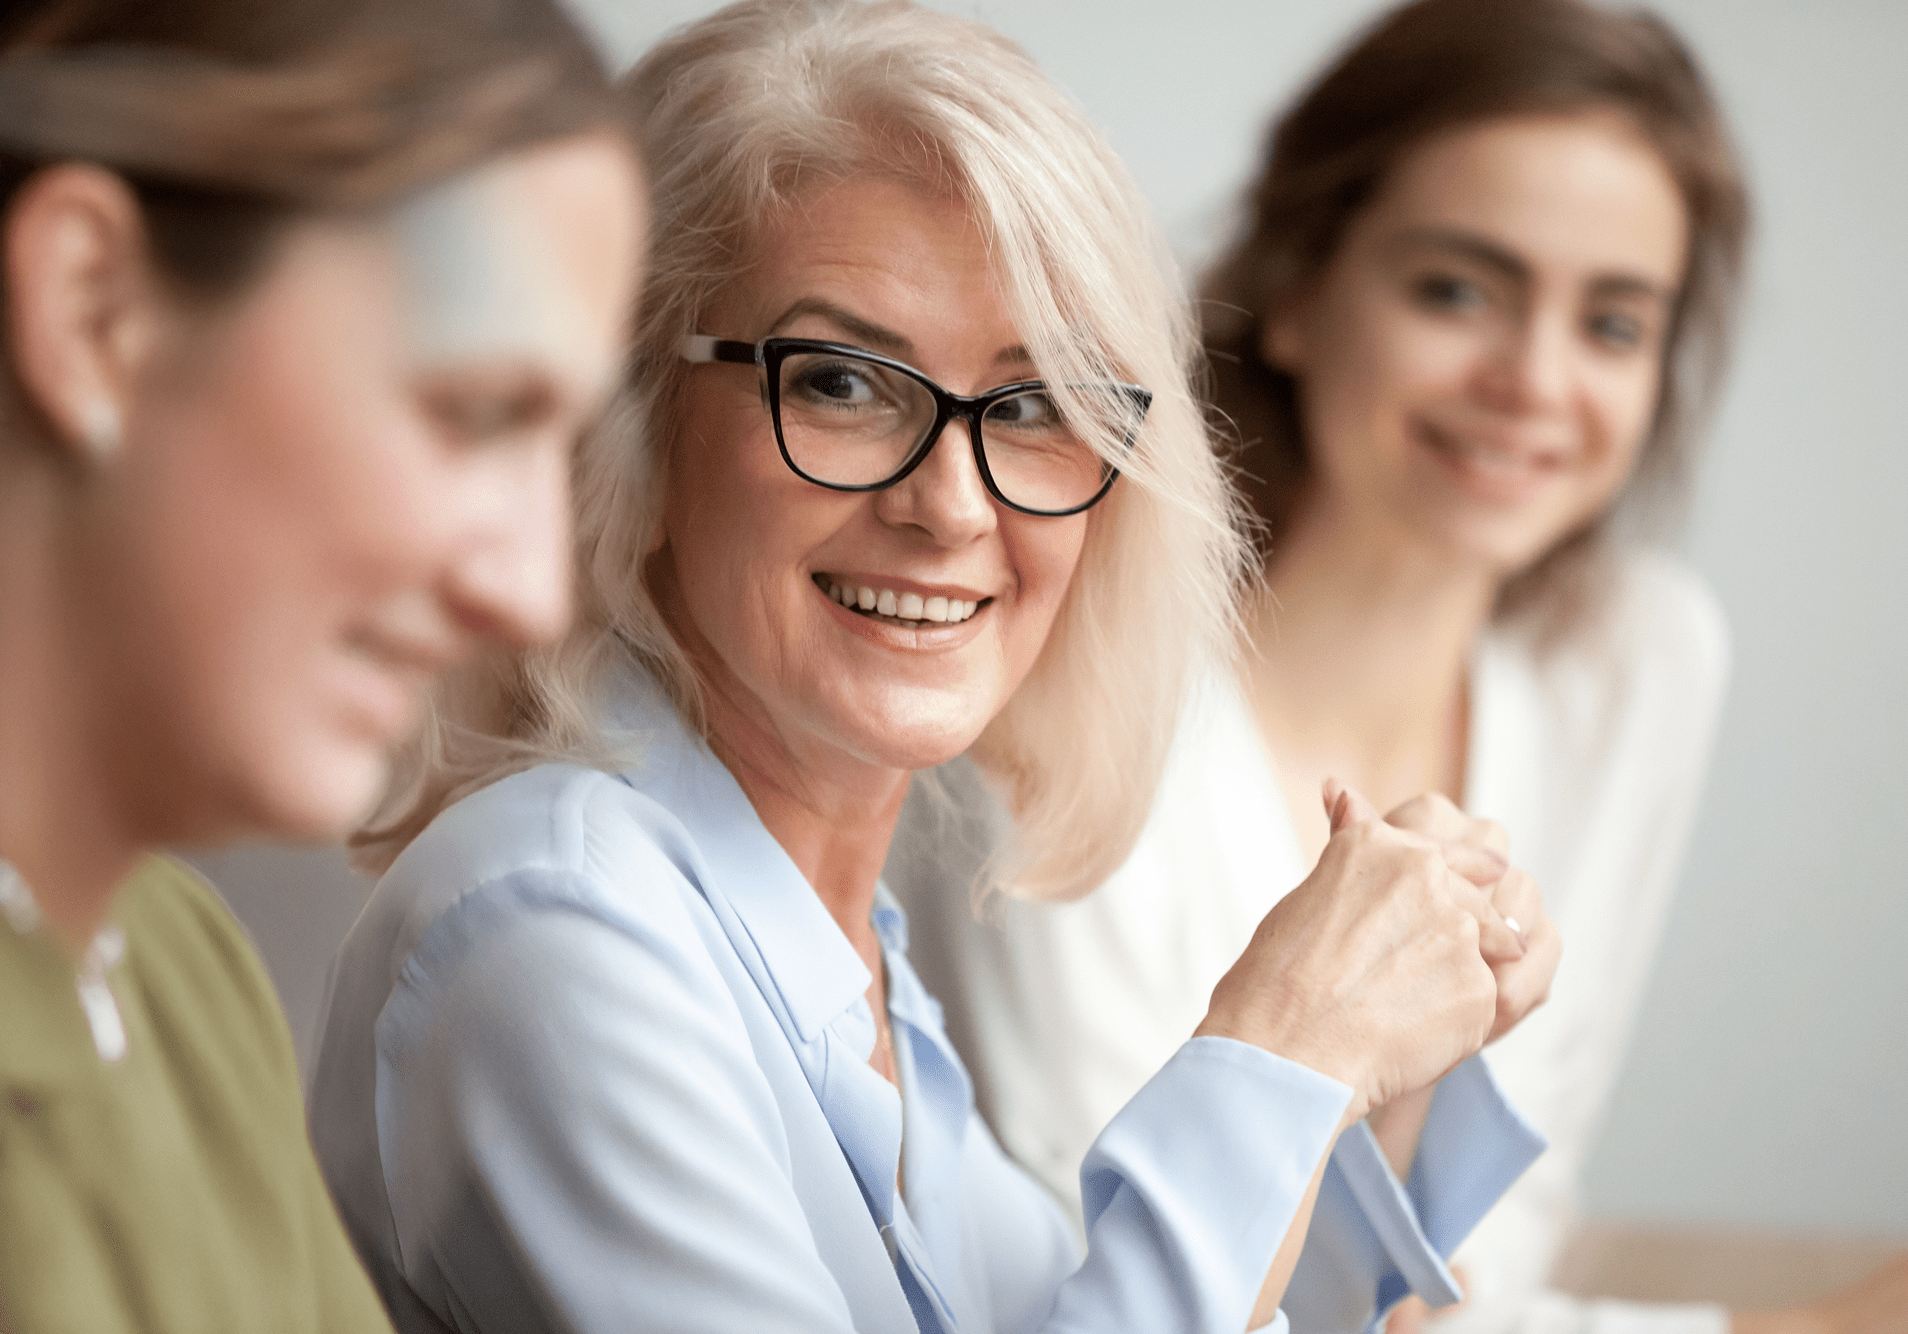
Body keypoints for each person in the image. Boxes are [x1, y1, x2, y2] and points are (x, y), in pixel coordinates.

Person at [307, 1, 1564, 1331]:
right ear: (632, 430)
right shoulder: (552, 928)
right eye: (842, 381)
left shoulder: (846, 957)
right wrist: (1289, 1038)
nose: (954, 506)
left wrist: (1372, 1067)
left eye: (1031, 406)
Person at [889, 1, 1908, 1332]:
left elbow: (1495, 1254)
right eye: (1457, 290)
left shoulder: (1634, 665)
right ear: (1296, 290)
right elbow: (1152, 1287)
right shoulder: (1058, 682)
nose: (1533, 380)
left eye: (1614, 322)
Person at [0, 0, 646, 1328]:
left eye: (560, 446)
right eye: (472, 412)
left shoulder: (177, 971)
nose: (528, 591)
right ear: (93, 308)